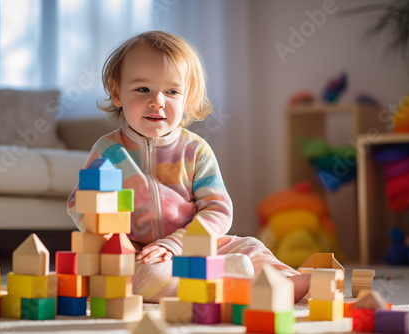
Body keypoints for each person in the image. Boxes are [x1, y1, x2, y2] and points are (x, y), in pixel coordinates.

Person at [67, 30, 310, 302]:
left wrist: (177, 243)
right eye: (143, 89)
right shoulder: (109, 151)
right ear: (117, 93)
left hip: (192, 245)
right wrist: (116, 241)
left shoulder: (195, 150)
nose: (157, 100)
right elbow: (80, 203)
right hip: (141, 252)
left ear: (187, 98)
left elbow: (217, 209)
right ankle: (219, 287)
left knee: (250, 246)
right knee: (144, 276)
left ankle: (283, 282)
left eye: (171, 91)